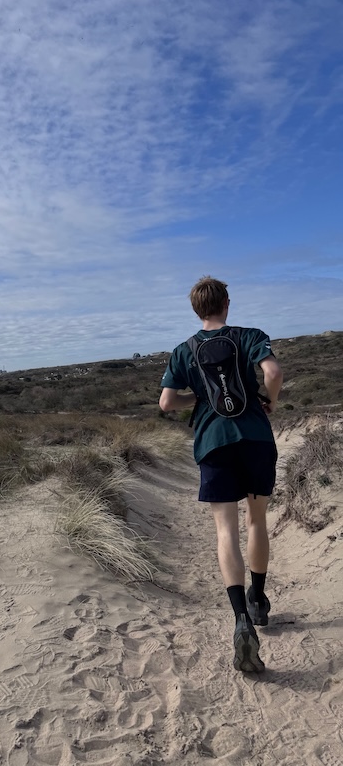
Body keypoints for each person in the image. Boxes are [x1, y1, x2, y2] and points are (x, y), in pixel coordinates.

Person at [159, 276, 283, 673]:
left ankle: (240, 618)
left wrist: (199, 396)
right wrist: (270, 401)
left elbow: (166, 403)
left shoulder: (183, 351)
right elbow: (273, 373)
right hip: (255, 438)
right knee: (256, 521)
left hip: (213, 442)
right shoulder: (250, 336)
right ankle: (258, 599)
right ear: (227, 303)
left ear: (196, 310)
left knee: (225, 530)